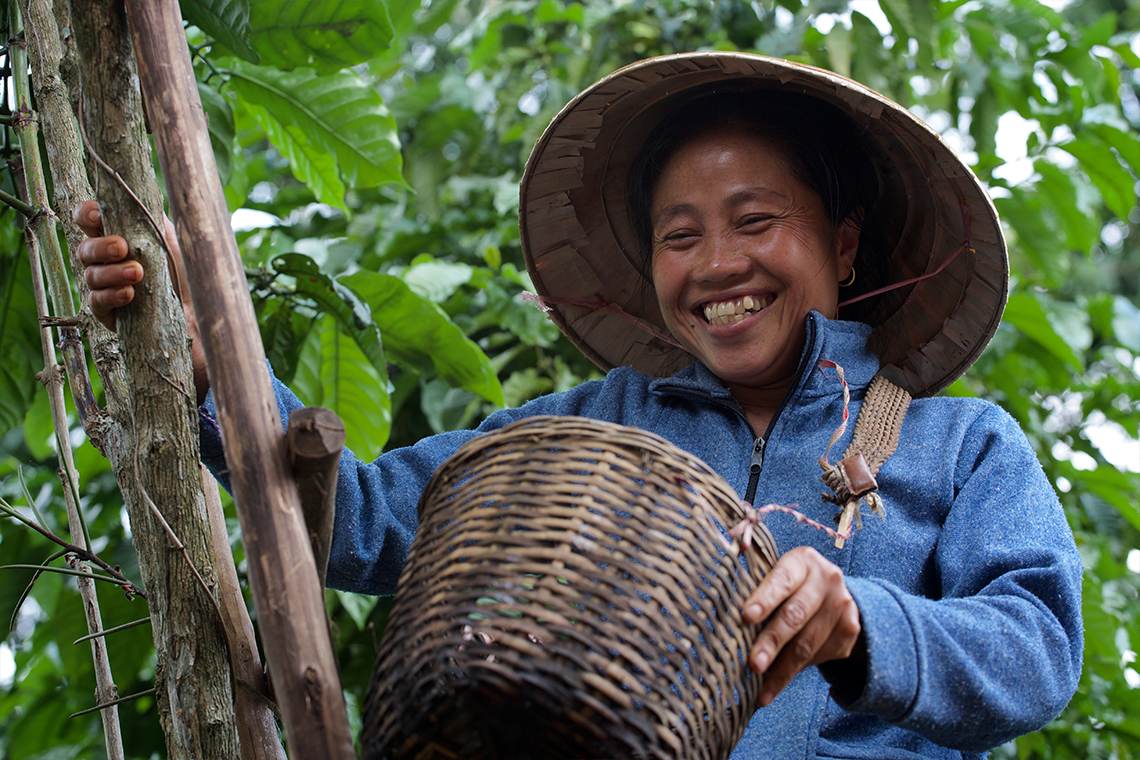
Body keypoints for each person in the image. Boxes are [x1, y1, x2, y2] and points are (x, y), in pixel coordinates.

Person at [76, 52, 1082, 759]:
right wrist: (213, 361)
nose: (719, 263)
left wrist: (863, 621)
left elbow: (1037, 649)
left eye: (756, 221)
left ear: (846, 242)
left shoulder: (959, 445)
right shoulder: (589, 428)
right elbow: (367, 519)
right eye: (679, 235)